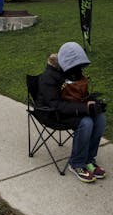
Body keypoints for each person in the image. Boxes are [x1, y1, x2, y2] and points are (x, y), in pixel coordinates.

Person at [36, 41, 107, 183]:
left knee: (100, 118)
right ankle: (76, 163)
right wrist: (85, 108)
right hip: (51, 114)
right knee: (86, 122)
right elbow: (55, 104)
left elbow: (80, 95)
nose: (79, 69)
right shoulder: (48, 77)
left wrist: (94, 103)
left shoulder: (73, 72)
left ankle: (89, 159)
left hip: (71, 110)